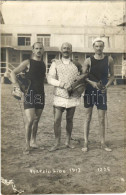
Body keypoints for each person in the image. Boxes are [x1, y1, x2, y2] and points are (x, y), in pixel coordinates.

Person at [11, 42, 46, 154]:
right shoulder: (28, 62)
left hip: (40, 94)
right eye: (36, 48)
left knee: (36, 120)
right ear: (33, 50)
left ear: (43, 50)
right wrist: (16, 85)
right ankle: (27, 145)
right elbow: (13, 72)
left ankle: (33, 142)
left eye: (40, 48)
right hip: (29, 93)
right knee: (30, 119)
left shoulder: (43, 64)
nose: (39, 50)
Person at [47, 42, 82, 151]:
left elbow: (81, 79)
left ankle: (67, 141)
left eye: (68, 48)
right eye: (64, 48)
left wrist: (78, 89)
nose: (66, 50)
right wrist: (61, 84)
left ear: (71, 50)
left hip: (72, 96)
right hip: (59, 95)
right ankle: (57, 143)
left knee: (70, 119)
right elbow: (50, 79)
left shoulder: (77, 64)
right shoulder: (55, 63)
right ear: (61, 50)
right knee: (57, 120)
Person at [82, 38, 115, 152]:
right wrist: (93, 83)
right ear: (93, 47)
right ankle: (86, 142)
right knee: (88, 117)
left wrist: (107, 85)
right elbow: (84, 77)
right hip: (89, 91)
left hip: (102, 92)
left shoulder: (109, 59)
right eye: (96, 46)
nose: (99, 48)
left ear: (103, 47)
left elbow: (112, 76)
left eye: (101, 46)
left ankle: (102, 143)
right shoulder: (88, 60)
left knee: (101, 119)